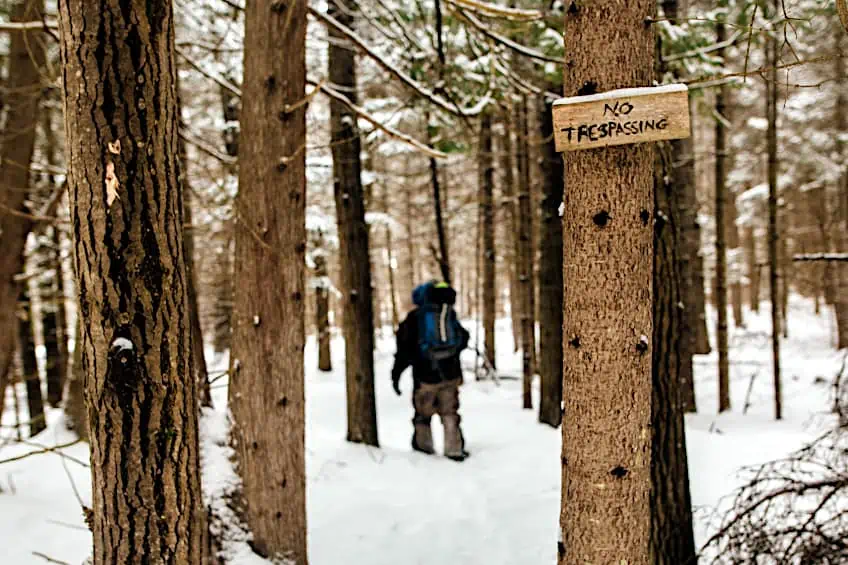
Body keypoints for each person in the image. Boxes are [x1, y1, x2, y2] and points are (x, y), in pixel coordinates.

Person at [391, 280, 470, 461]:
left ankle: (424, 451)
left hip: (424, 377)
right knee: (450, 413)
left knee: (423, 415)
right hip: (451, 375)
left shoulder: (414, 319)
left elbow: (403, 351)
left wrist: (396, 375)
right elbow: (463, 338)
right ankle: (454, 450)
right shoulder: (448, 315)